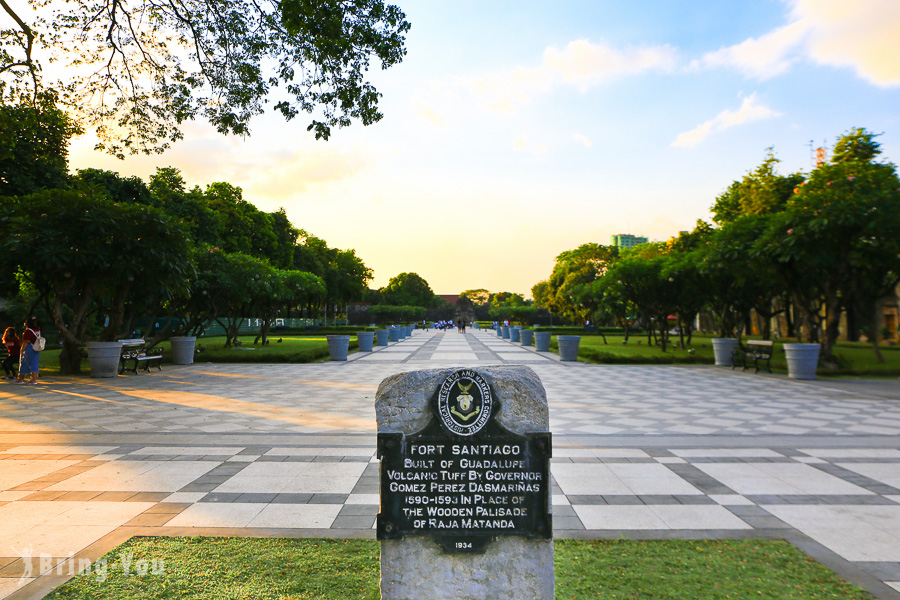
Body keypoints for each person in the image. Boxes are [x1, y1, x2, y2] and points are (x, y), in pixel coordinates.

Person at [14, 317, 41, 386]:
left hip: (29, 348)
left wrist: (22, 350)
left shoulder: (28, 331)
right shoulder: (37, 330)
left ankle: (20, 379)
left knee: (24, 362)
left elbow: (26, 341)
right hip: (36, 348)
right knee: (34, 363)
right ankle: (34, 379)